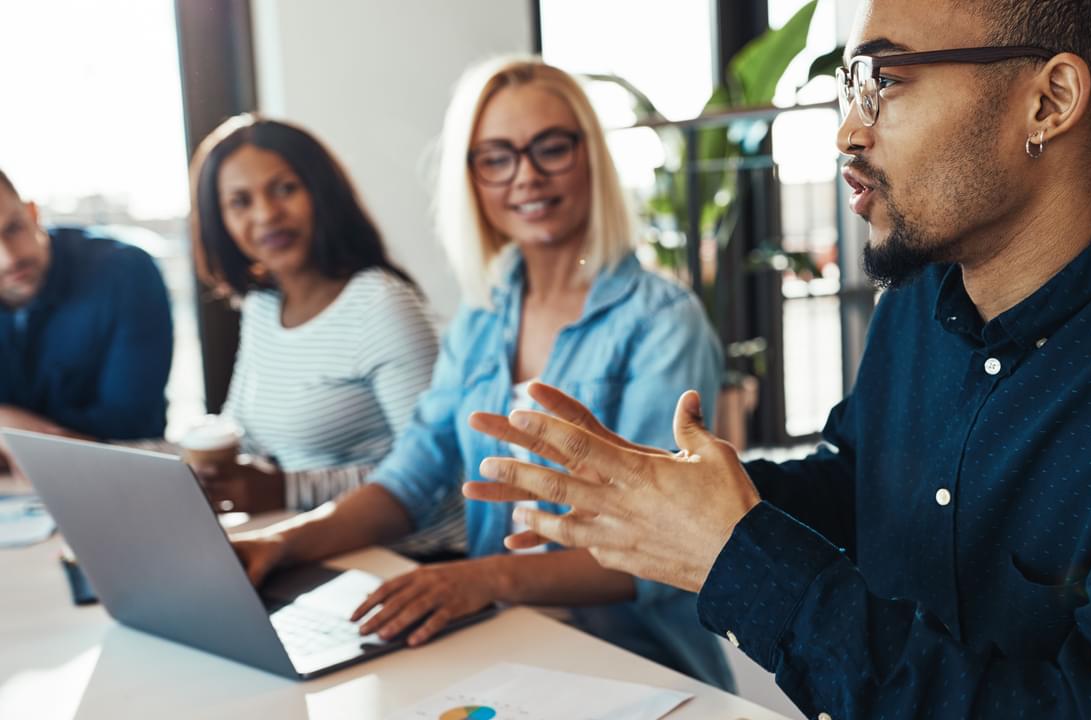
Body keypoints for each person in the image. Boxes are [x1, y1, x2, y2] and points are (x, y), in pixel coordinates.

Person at [462, 1, 1091, 717]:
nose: (847, 132)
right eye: (848, 86)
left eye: (885, 81)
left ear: (1050, 100)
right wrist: (671, 497)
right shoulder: (924, 298)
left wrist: (739, 560)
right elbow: (868, 490)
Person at [229, 59, 733, 690]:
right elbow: (415, 472)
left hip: (634, 666)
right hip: (505, 643)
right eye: (496, 157)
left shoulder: (662, 321)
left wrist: (486, 577)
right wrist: (289, 542)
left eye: (550, 148)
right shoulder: (484, 317)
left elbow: (662, 544)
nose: (526, 176)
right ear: (471, 178)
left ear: (590, 158)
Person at [185, 116, 450, 533]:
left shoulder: (379, 305)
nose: (267, 214)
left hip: (402, 554)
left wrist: (288, 490)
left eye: (285, 189)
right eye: (240, 202)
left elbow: (433, 472)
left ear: (321, 193)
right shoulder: (261, 306)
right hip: (302, 539)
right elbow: (244, 433)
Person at [0, 167, 172, 473]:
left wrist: (13, 430)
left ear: (32, 212)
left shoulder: (124, 274)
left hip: (115, 481)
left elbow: (131, 427)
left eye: (13, 228)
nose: (9, 257)